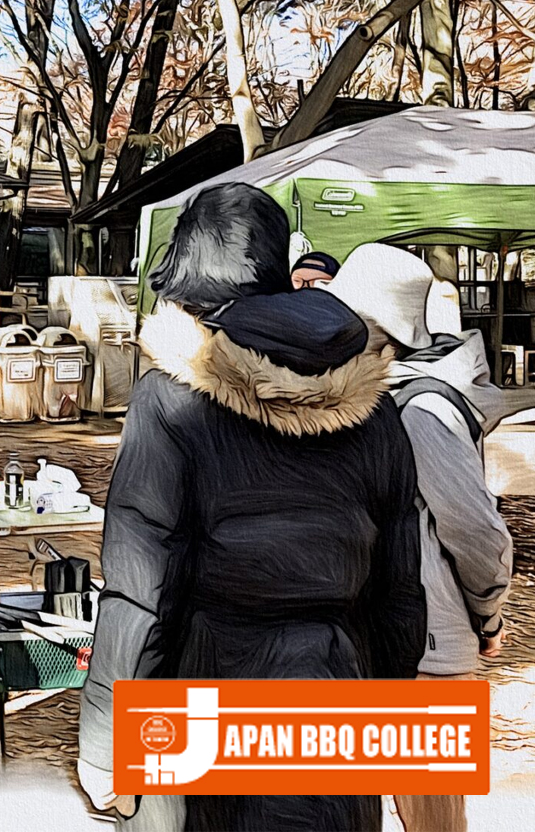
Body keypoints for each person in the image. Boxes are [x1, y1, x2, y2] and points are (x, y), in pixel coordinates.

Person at [78, 183, 425, 832]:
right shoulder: (374, 401)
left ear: (192, 295)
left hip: (205, 701)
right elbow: (399, 590)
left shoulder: (171, 398)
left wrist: (104, 742)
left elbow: (142, 587)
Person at [328, 243, 513, 832]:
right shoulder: (388, 399)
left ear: (378, 330)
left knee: (432, 819)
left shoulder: (420, 408)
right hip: (395, 637)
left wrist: (488, 616)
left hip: (431, 644)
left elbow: (477, 531)